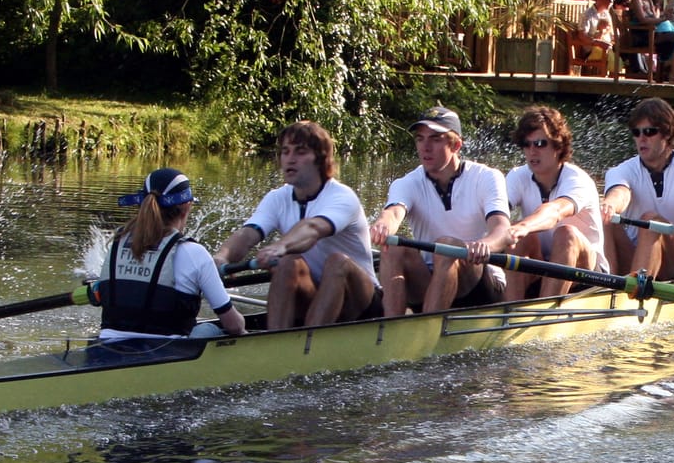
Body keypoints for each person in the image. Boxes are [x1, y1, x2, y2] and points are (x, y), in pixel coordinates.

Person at [216, 121, 379, 330]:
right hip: (315, 295)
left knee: (337, 262)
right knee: (287, 263)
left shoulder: (343, 196)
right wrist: (222, 257)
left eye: (300, 152)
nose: (290, 159)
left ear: (321, 159)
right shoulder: (277, 198)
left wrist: (281, 246)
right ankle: (275, 342)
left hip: (361, 302)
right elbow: (247, 234)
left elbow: (313, 228)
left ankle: (308, 346)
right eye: (285, 151)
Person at [368, 106, 512, 315]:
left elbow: (502, 230)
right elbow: (393, 213)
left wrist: (484, 245)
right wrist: (382, 226)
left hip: (477, 283)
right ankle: (390, 329)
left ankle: (426, 332)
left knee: (445, 246)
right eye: (420, 138)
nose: (425, 147)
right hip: (428, 279)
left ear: (456, 145)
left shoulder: (487, 177)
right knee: (393, 247)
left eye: (435, 139)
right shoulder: (407, 182)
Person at [97, 168, 248, 342]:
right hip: (166, 356)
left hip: (106, 348)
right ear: (186, 207)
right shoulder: (194, 253)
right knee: (211, 328)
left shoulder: (117, 241)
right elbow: (234, 326)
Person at [600, 99, 674, 280]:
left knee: (651, 222)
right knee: (605, 218)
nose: (641, 139)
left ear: (667, 134)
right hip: (637, 255)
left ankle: (632, 294)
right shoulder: (620, 170)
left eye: (649, 132)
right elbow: (620, 193)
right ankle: (607, 287)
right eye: (636, 132)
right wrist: (609, 205)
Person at [502, 106, 603, 300]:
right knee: (517, 237)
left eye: (540, 143)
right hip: (544, 264)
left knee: (566, 233)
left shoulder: (577, 180)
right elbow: (497, 213)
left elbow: (554, 212)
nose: (532, 151)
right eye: (526, 144)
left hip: (588, 274)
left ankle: (544, 318)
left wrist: (523, 226)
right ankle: (508, 312)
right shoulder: (517, 176)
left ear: (558, 146)